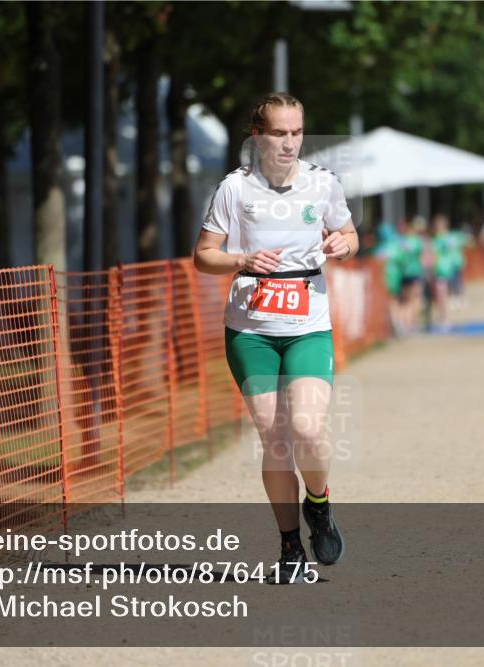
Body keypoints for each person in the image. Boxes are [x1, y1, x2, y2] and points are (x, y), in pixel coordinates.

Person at [193, 92, 358, 581]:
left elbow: (349, 236)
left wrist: (341, 245)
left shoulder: (323, 184)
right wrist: (241, 260)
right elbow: (204, 255)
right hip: (251, 331)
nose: (289, 143)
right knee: (275, 437)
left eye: (296, 133)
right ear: (257, 136)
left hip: (308, 325)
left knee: (306, 429)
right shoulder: (235, 190)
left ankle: (320, 505)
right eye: (279, 133)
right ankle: (290, 546)